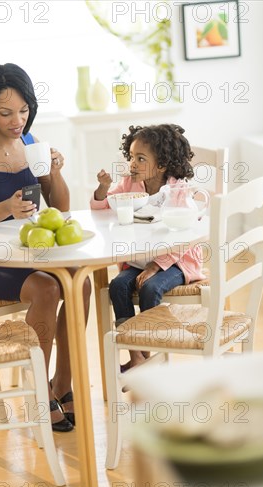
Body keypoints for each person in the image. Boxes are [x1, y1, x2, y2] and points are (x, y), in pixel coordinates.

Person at [0, 63, 91, 432]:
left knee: (84, 281)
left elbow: (59, 208)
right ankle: (38, 389)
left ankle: (64, 382)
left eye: (25, 110)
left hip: (27, 252)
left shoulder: (31, 144)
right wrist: (5, 210)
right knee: (47, 288)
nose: (18, 121)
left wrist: (55, 173)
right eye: (6, 113)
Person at [91, 124, 206, 369]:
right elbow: (103, 207)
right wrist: (103, 189)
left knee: (150, 288)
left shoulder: (177, 191)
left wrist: (156, 266)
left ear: (162, 164)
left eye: (140, 159)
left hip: (176, 260)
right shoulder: (129, 185)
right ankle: (136, 354)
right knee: (118, 285)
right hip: (140, 258)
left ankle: (148, 350)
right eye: (131, 157)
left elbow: (186, 236)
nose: (132, 164)